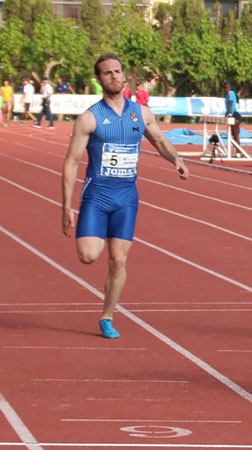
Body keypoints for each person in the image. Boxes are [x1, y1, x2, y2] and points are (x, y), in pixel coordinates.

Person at [61, 53, 189, 339]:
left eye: (117, 71)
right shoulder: (89, 118)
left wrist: (176, 159)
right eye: (107, 73)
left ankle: (107, 316)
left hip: (127, 198)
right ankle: (108, 282)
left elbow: (159, 140)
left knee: (118, 261)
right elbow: (71, 161)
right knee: (88, 256)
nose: (114, 76)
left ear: (124, 75)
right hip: (97, 196)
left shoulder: (140, 113)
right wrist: (66, 206)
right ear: (99, 79)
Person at [224, 81, 243, 150]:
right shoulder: (226, 94)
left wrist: (229, 113)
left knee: (235, 135)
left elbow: (231, 103)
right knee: (232, 135)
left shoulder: (230, 93)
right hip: (231, 114)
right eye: (225, 88)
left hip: (234, 115)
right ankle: (237, 151)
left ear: (230, 87)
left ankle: (239, 151)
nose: (226, 89)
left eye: (227, 87)